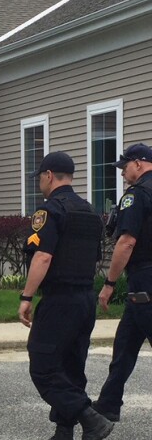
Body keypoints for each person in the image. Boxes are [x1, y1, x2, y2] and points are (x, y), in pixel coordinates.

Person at [18, 152, 114, 440]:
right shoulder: (89, 211)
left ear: (49, 175)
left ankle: (90, 418)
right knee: (71, 366)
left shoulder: (50, 210)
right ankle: (64, 431)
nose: (40, 185)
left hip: (60, 299)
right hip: (85, 299)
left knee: (43, 365)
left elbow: (43, 257)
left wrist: (26, 296)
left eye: (40, 179)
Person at [95, 143, 152, 425]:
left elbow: (126, 241)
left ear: (139, 164)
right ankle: (108, 405)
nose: (122, 174)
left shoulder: (137, 195)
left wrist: (109, 283)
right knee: (126, 343)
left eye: (124, 167)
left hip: (145, 279)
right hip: (142, 286)